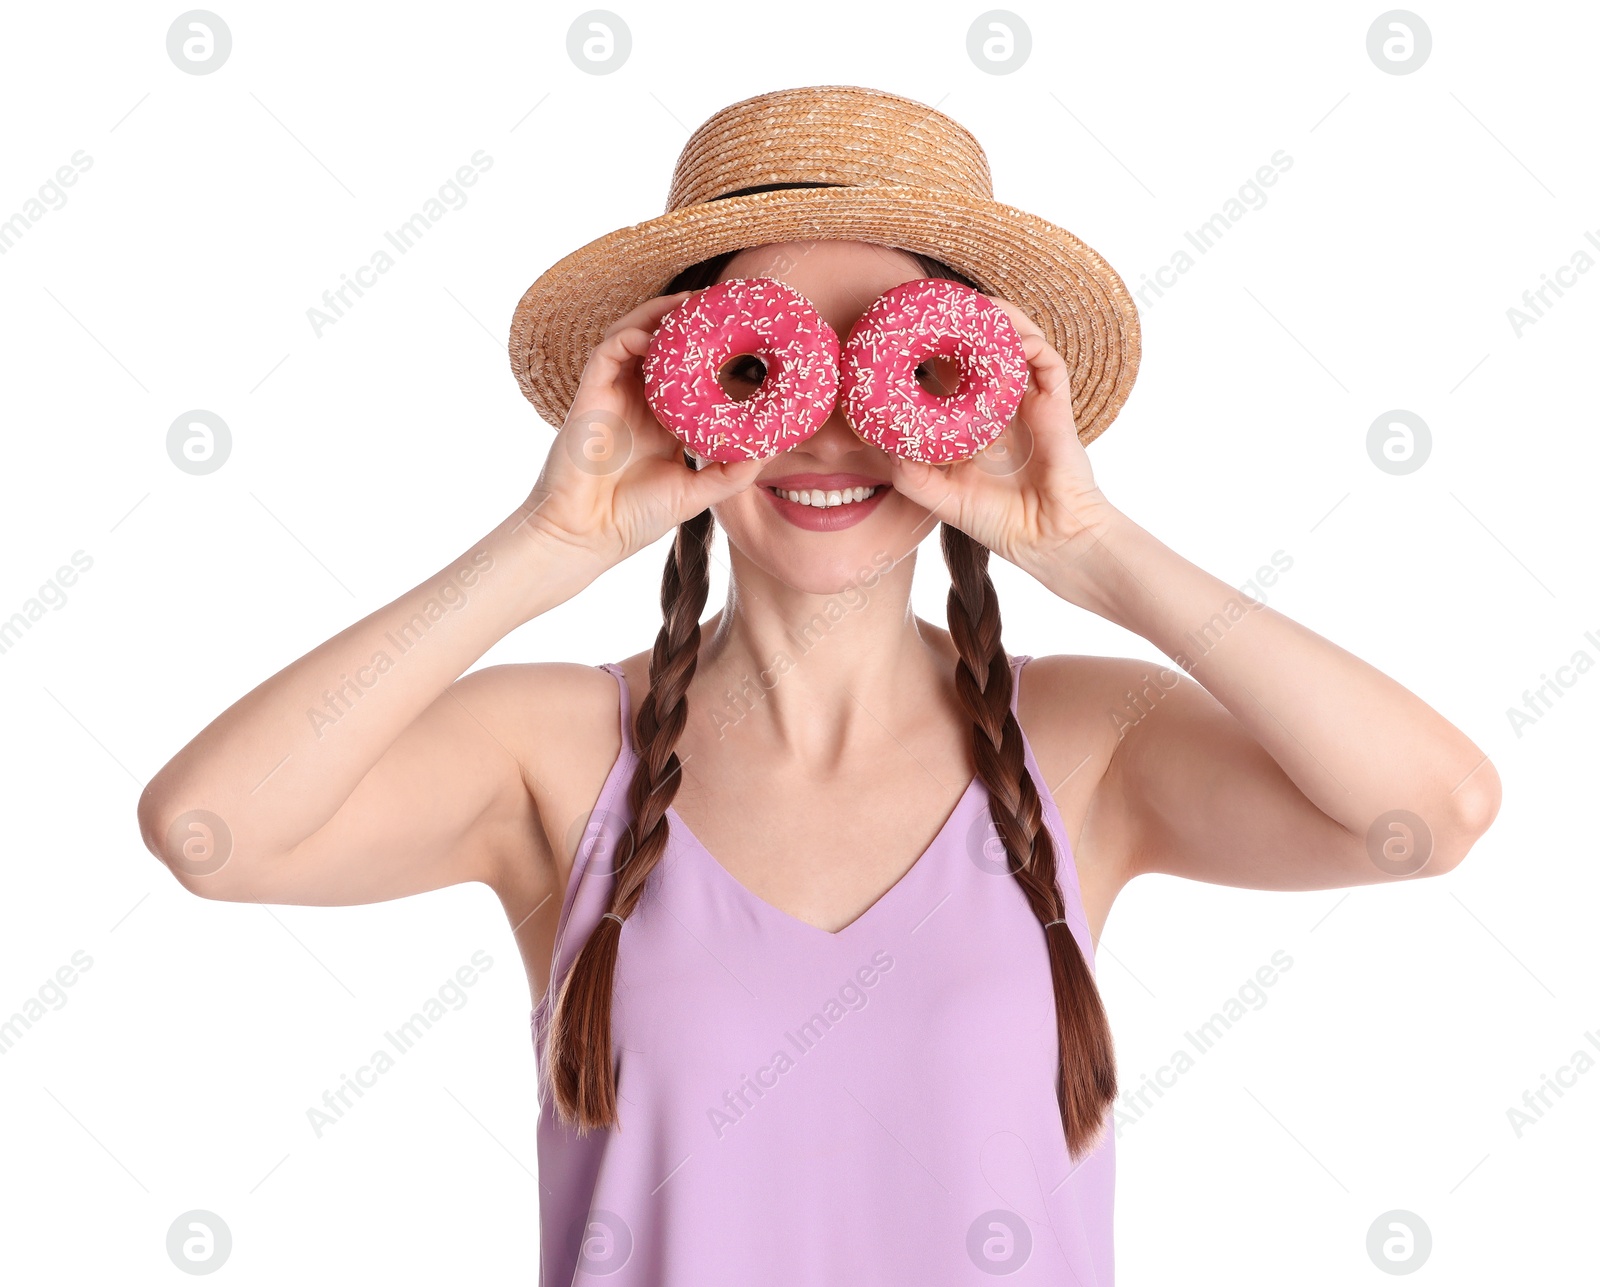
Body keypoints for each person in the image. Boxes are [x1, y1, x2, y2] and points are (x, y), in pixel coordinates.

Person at [137, 86, 1500, 1285]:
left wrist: (1094, 545)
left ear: (976, 389)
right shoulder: (555, 754)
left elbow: (1434, 810)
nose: (836, 423)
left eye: (896, 360)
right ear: (675, 392)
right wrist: (546, 543)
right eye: (760, 363)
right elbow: (212, 831)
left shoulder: (1085, 745)